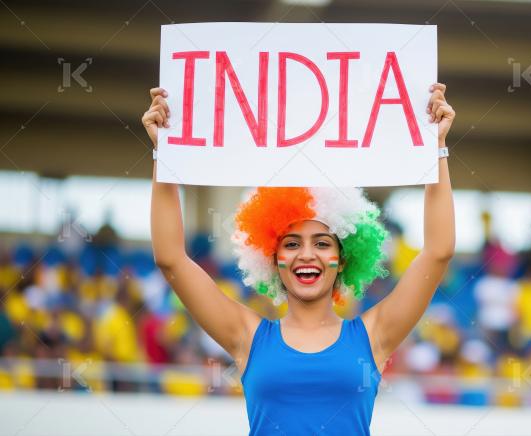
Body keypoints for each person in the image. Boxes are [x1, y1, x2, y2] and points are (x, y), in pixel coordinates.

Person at [143, 83, 455, 435]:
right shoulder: (246, 336)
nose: (306, 254)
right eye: (291, 244)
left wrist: (437, 147)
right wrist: (163, 153)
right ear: (272, 258)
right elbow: (170, 258)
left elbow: (437, 252)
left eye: (322, 243)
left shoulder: (374, 335)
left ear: (344, 257)